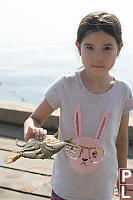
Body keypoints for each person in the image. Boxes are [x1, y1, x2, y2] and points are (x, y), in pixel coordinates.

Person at [24, 11, 133, 200]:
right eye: (89, 47)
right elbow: (34, 119)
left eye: (107, 48)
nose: (97, 57)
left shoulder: (123, 91)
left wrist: (125, 184)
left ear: (119, 48)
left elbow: (122, 140)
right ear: (78, 47)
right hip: (65, 187)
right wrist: (32, 130)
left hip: (102, 189)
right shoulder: (65, 85)